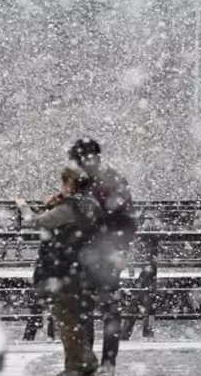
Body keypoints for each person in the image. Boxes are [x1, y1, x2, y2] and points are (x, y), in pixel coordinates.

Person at [16, 165, 103, 376]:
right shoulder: (91, 204)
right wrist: (55, 204)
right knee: (82, 317)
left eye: (63, 183)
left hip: (65, 271)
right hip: (87, 269)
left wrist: (23, 206)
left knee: (68, 320)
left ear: (70, 184)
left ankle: (75, 366)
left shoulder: (70, 207)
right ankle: (87, 361)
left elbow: (37, 222)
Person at [67, 138, 136, 376]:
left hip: (97, 252)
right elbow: (128, 220)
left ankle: (98, 361)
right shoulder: (109, 180)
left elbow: (125, 220)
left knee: (90, 309)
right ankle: (101, 362)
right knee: (101, 309)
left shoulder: (99, 182)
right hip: (99, 252)